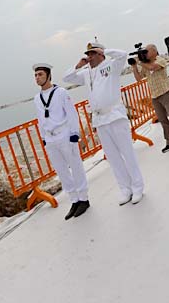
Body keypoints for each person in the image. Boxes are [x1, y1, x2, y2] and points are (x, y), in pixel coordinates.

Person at [63, 43, 145, 206]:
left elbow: (122, 53)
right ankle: (125, 189)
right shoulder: (87, 73)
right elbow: (67, 78)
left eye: (93, 53)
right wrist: (78, 65)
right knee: (113, 158)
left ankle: (138, 187)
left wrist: (105, 51)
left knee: (128, 154)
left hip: (115, 115)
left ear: (100, 54)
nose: (90, 57)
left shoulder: (111, 65)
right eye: (88, 54)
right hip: (100, 120)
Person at [32, 63, 89, 220]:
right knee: (61, 171)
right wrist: (43, 138)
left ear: (49, 76)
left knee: (75, 166)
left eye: (40, 74)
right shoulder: (37, 98)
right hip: (50, 139)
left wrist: (74, 133)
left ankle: (84, 198)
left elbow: (71, 113)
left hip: (64, 135)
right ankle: (74, 200)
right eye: (36, 75)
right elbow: (40, 119)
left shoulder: (61, 92)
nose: (37, 78)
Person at [132, 44, 169, 153]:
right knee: (163, 121)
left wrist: (140, 62)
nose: (145, 54)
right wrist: (134, 67)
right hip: (155, 96)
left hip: (165, 93)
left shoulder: (160, 60)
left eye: (146, 51)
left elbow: (152, 67)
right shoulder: (145, 64)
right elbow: (139, 79)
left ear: (154, 51)